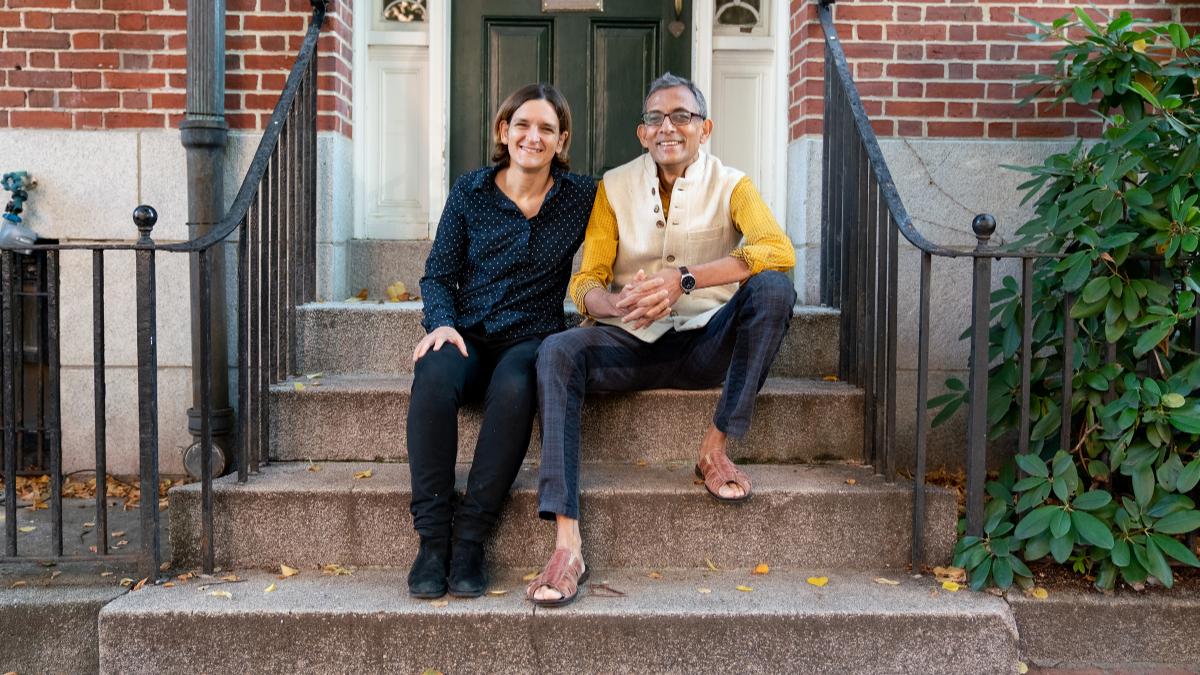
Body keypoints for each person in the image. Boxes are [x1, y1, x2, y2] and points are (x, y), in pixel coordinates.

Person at [526, 73, 797, 607]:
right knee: (556, 350)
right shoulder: (613, 186)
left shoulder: (733, 184)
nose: (667, 127)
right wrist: (614, 303)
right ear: (641, 133)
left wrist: (685, 280)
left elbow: (776, 248)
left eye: (682, 116)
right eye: (655, 118)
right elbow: (587, 281)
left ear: (705, 128)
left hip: (705, 343)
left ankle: (715, 448)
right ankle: (566, 542)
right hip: (629, 344)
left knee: (774, 289)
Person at [407, 83, 595, 599]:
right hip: (466, 330)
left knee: (516, 389)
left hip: (530, 337)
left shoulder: (582, 196)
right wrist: (441, 322)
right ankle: (432, 542)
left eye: (547, 129)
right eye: (523, 125)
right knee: (434, 371)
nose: (533, 137)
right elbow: (439, 275)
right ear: (503, 132)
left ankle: (469, 540)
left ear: (561, 141)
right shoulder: (470, 190)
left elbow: (633, 208)